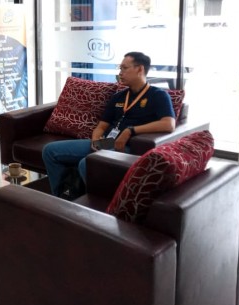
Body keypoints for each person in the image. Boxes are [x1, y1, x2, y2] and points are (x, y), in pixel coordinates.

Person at [42, 51, 176, 198]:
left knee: (87, 164)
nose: (120, 73)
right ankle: (63, 198)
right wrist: (96, 140)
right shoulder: (119, 96)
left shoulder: (158, 95)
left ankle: (98, 206)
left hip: (128, 146)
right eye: (120, 68)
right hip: (107, 142)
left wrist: (130, 131)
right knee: (50, 151)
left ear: (140, 69)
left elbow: (168, 124)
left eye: (125, 68)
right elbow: (101, 126)